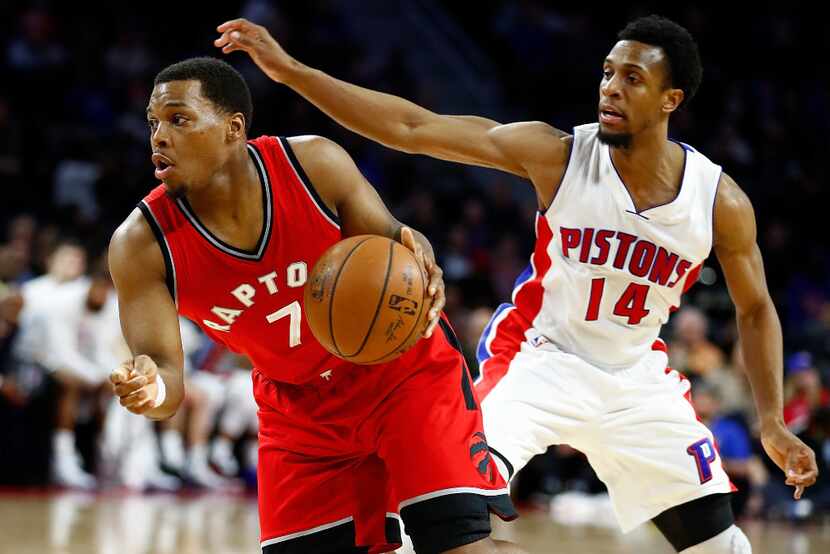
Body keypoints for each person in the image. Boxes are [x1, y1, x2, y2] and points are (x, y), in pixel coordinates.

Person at [214, 14, 819, 553]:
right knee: (439, 514)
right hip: (537, 362)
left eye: (632, 78)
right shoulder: (557, 154)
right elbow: (411, 127)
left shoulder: (718, 202)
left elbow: (757, 308)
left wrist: (771, 419)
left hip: (637, 379)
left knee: (722, 545)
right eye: (608, 72)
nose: (610, 87)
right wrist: (291, 72)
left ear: (671, 99)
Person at [107, 57, 524, 554]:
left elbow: (396, 246)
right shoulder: (140, 245)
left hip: (400, 376)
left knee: (459, 547)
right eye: (153, 123)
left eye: (178, 119)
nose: (159, 136)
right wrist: (150, 388)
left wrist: (420, 258)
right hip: (298, 410)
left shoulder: (311, 166)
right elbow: (167, 375)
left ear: (233, 128)